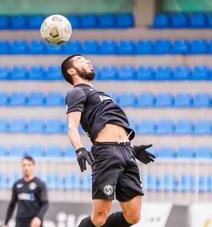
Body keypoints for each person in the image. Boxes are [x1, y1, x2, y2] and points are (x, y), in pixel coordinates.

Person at [61, 54, 156, 227]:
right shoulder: (76, 92)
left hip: (126, 151)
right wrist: (80, 149)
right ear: (71, 70)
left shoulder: (102, 95)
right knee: (99, 219)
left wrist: (132, 149)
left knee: (133, 216)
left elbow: (109, 124)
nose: (88, 61)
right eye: (82, 60)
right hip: (106, 153)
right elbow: (72, 127)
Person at [3, 156, 49, 227]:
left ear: (33, 166)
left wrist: (39, 217)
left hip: (34, 222)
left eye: (29, 165)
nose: (26, 167)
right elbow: (12, 204)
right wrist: (6, 222)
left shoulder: (40, 184)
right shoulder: (17, 184)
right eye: (24, 165)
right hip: (20, 222)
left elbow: (45, 203)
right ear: (21, 167)